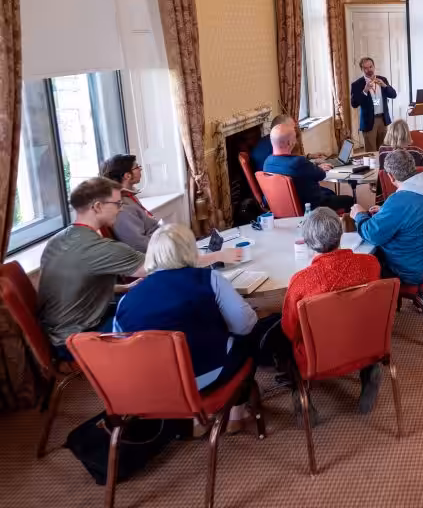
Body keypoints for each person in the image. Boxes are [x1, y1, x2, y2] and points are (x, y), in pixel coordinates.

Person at [113, 223, 260, 432]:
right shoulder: (210, 279)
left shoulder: (126, 300)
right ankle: (235, 414)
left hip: (151, 386)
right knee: (251, 334)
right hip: (206, 377)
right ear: (191, 250)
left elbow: (121, 348)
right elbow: (245, 325)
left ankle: (194, 421)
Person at [282, 208, 383, 413]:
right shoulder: (370, 264)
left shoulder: (301, 282)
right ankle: (370, 370)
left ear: (309, 242)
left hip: (319, 358)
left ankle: (302, 398)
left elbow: (290, 330)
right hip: (366, 345)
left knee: (281, 340)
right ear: (340, 234)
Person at [37, 177, 147, 355]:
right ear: (97, 207)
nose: (120, 209)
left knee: (140, 303)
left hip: (56, 333)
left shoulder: (58, 239)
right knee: (155, 315)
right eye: (118, 204)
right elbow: (161, 264)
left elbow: (78, 286)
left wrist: (125, 287)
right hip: (75, 340)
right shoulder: (98, 248)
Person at [351, 149, 423, 286]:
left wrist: (359, 215)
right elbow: (414, 212)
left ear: (391, 177)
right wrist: (385, 211)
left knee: (358, 263)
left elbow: (372, 234)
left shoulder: (399, 202)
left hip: (405, 269)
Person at [262, 123, 355, 212]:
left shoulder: (267, 163)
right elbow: (321, 175)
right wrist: (319, 167)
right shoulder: (299, 162)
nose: (296, 141)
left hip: (285, 210)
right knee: (350, 200)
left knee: (329, 193)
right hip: (313, 208)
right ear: (290, 143)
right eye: (295, 138)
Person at [101, 154, 158, 253]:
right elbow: (140, 246)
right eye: (137, 167)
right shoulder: (121, 208)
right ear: (127, 176)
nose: (140, 169)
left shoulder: (129, 196)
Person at [350, 56, 397, 153]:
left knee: (384, 150)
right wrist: (365, 90)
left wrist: (385, 86)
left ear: (374, 67)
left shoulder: (382, 79)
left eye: (370, 67)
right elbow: (354, 104)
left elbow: (393, 95)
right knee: (371, 152)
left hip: (383, 120)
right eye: (365, 68)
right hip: (369, 122)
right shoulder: (357, 84)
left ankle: (384, 168)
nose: (369, 70)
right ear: (362, 69)